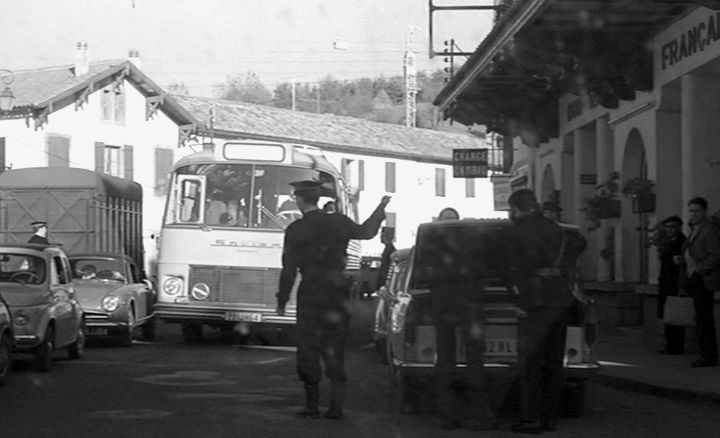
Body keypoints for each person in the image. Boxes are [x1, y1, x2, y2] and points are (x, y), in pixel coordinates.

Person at [276, 180, 390, 420]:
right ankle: (336, 407)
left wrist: (282, 299)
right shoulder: (338, 221)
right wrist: (380, 210)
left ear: (299, 200)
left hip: (310, 292)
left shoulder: (295, 230)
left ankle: (312, 405)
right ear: (317, 198)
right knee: (335, 345)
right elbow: (366, 232)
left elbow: (288, 269)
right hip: (336, 291)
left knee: (308, 347)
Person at [507, 189, 579, 434]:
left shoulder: (519, 230)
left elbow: (517, 267)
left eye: (512, 210)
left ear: (517, 208)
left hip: (535, 301)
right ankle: (550, 419)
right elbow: (578, 245)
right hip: (560, 299)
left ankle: (531, 418)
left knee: (530, 364)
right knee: (554, 364)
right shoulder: (556, 227)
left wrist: (517, 299)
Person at [679, 197, 720, 368]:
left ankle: (709, 356)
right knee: (700, 317)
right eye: (691, 210)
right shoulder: (694, 229)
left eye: (696, 210)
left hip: (704, 279)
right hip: (694, 278)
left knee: (705, 318)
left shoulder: (708, 230)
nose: (693, 214)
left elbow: (716, 254)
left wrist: (699, 269)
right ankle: (705, 353)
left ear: (704, 211)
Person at [656, 215, 687, 355]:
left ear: (679, 227)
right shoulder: (667, 242)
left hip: (675, 284)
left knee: (675, 317)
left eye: (673, 226)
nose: (670, 229)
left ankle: (676, 346)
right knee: (668, 317)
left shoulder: (682, 242)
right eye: (667, 227)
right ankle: (671, 345)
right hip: (666, 284)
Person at [375, 227, 396, 293]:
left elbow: (388, 268)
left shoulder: (389, 250)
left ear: (385, 236)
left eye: (381, 235)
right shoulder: (389, 248)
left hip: (385, 280)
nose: (380, 237)